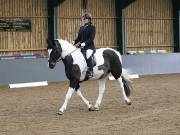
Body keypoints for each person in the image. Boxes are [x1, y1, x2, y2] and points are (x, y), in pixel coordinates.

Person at [72, 12, 96, 77]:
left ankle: (91, 71)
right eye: (83, 19)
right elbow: (79, 38)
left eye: (85, 19)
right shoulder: (81, 28)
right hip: (82, 47)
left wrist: (85, 43)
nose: (84, 20)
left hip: (89, 47)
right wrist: (74, 41)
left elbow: (91, 38)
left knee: (88, 55)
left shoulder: (92, 27)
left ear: (89, 19)